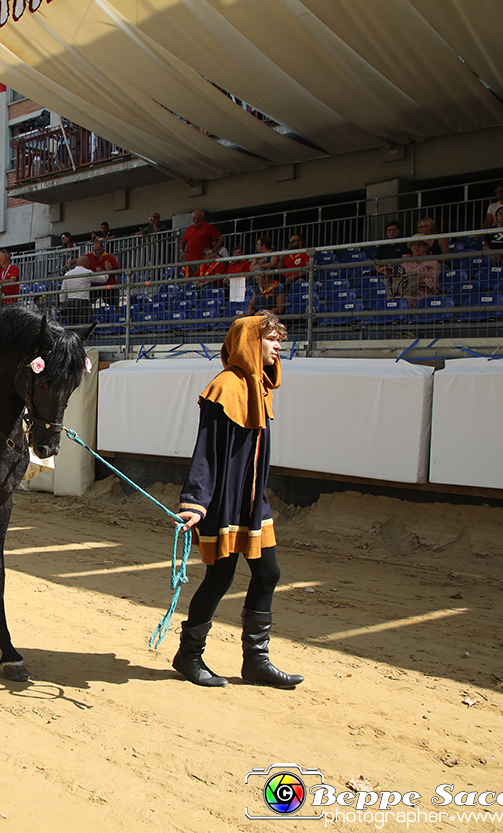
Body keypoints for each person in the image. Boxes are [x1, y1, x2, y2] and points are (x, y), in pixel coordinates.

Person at [171, 313, 302, 689]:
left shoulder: (259, 387)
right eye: (272, 339)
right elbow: (207, 452)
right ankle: (189, 656)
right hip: (225, 501)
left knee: (268, 572)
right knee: (221, 576)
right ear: (249, 342)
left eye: (279, 339)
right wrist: (195, 502)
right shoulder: (225, 387)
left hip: (253, 501)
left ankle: (256, 661)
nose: (279, 346)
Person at [61, 254, 108, 326]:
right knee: (82, 325)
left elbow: (62, 291)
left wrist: (62, 303)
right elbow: (102, 279)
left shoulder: (67, 274)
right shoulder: (88, 272)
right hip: (82, 301)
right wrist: (106, 271)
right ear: (86, 263)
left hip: (70, 301)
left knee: (70, 325)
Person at [392, 239, 441, 306]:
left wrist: (413, 282)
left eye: (420, 244)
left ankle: (410, 316)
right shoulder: (406, 263)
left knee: (406, 299)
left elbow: (432, 280)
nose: (416, 247)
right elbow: (399, 278)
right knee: (390, 298)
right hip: (407, 291)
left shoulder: (433, 262)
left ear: (426, 247)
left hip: (425, 292)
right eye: (414, 245)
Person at [181, 210, 222, 277]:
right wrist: (181, 251)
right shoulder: (189, 229)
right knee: (190, 282)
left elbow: (221, 238)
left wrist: (214, 249)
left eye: (198, 218)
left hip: (202, 260)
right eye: (194, 218)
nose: (196, 220)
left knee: (201, 280)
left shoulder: (208, 227)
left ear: (203, 217)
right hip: (190, 260)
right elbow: (182, 242)